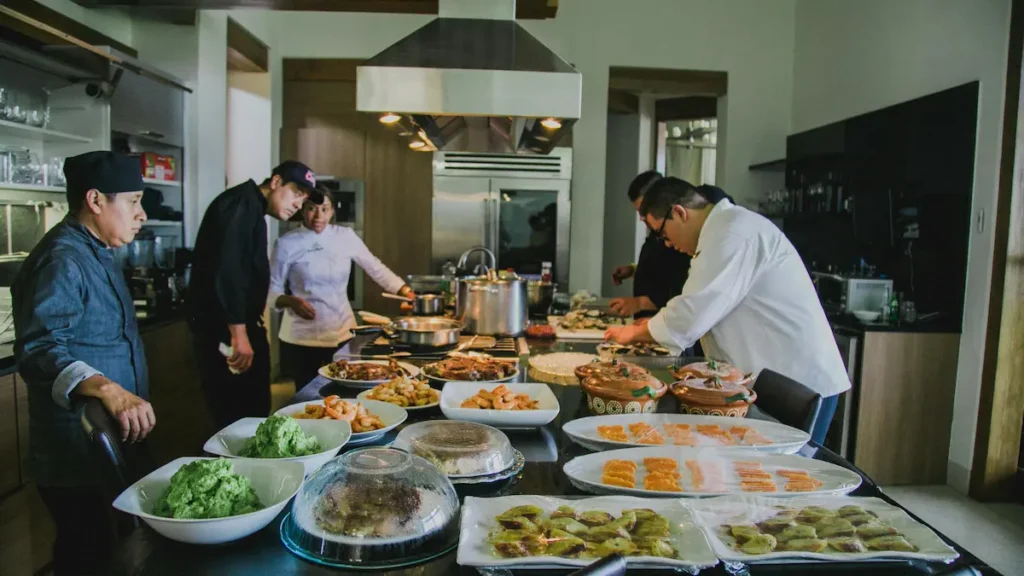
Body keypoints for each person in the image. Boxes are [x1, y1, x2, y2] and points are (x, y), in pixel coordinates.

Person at [604, 176, 850, 443]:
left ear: (679, 212)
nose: (665, 243)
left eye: (662, 233)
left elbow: (691, 313)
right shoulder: (721, 232)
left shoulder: (732, 232)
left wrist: (631, 334)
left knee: (784, 474)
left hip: (797, 386)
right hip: (774, 379)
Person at [12, 151, 155, 576]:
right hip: (74, 450)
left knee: (119, 548)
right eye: (132, 201)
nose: (141, 215)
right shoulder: (63, 257)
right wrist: (107, 387)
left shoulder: (95, 250)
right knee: (86, 555)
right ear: (95, 200)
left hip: (112, 439)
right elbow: (39, 349)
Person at [187, 161, 320, 428]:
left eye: (303, 199)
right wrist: (239, 334)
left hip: (241, 326)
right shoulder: (238, 205)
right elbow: (228, 273)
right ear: (275, 182)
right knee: (237, 413)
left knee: (255, 406)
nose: (298, 204)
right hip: (225, 330)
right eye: (296, 193)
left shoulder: (254, 209)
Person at [269, 189, 414, 388]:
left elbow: (375, 267)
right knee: (307, 394)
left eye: (324, 209)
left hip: (341, 332)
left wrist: (405, 291)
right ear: (302, 210)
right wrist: (288, 300)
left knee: (346, 389)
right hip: (301, 337)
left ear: (332, 212)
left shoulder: (345, 236)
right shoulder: (287, 243)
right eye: (311, 209)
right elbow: (270, 289)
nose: (318, 216)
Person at [608, 171, 691, 319]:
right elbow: (661, 267)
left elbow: (679, 286)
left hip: (665, 324)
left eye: (644, 210)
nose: (642, 217)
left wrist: (640, 303)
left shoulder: (679, 236)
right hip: (647, 324)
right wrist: (634, 270)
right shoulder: (657, 230)